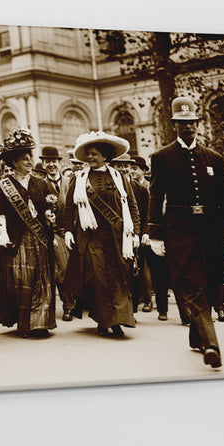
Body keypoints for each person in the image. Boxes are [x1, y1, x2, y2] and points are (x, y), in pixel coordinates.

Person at [148, 97, 224, 368]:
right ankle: (212, 346)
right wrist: (154, 234)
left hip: (210, 233)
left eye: (192, 123)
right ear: (174, 125)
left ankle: (195, 337)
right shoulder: (162, 158)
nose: (188, 128)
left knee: (210, 286)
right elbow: (155, 197)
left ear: (198, 124)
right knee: (193, 288)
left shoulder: (213, 158)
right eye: (182, 124)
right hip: (180, 233)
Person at [62, 132, 140, 338]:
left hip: (117, 238)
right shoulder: (78, 179)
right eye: (88, 154)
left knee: (119, 277)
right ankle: (105, 320)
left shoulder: (120, 178)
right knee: (98, 279)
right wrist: (68, 231)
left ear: (105, 156)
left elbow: (132, 206)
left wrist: (136, 233)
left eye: (94, 154)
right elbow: (69, 209)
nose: (90, 158)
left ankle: (120, 319)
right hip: (91, 238)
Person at [0, 129, 57, 337]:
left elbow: (48, 205)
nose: (29, 161)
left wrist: (49, 215)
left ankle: (41, 322)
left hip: (40, 239)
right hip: (18, 240)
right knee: (22, 280)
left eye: (30, 157)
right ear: (14, 162)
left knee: (43, 278)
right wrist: (3, 235)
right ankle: (25, 323)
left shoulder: (40, 182)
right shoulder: (3, 187)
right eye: (24, 158)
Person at [111, 152, 153, 313]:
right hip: (116, 236)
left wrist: (143, 233)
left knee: (136, 273)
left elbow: (145, 215)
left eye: (126, 166)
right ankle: (121, 308)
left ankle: (133, 308)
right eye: (119, 166)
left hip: (135, 237)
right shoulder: (110, 187)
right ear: (113, 167)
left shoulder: (141, 190)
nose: (122, 169)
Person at [39, 145, 76, 321]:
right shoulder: (39, 184)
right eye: (47, 162)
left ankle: (78, 302)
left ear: (60, 163)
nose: (51, 165)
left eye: (54, 161)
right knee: (62, 268)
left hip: (72, 230)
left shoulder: (70, 182)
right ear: (43, 164)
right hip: (51, 233)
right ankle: (68, 305)